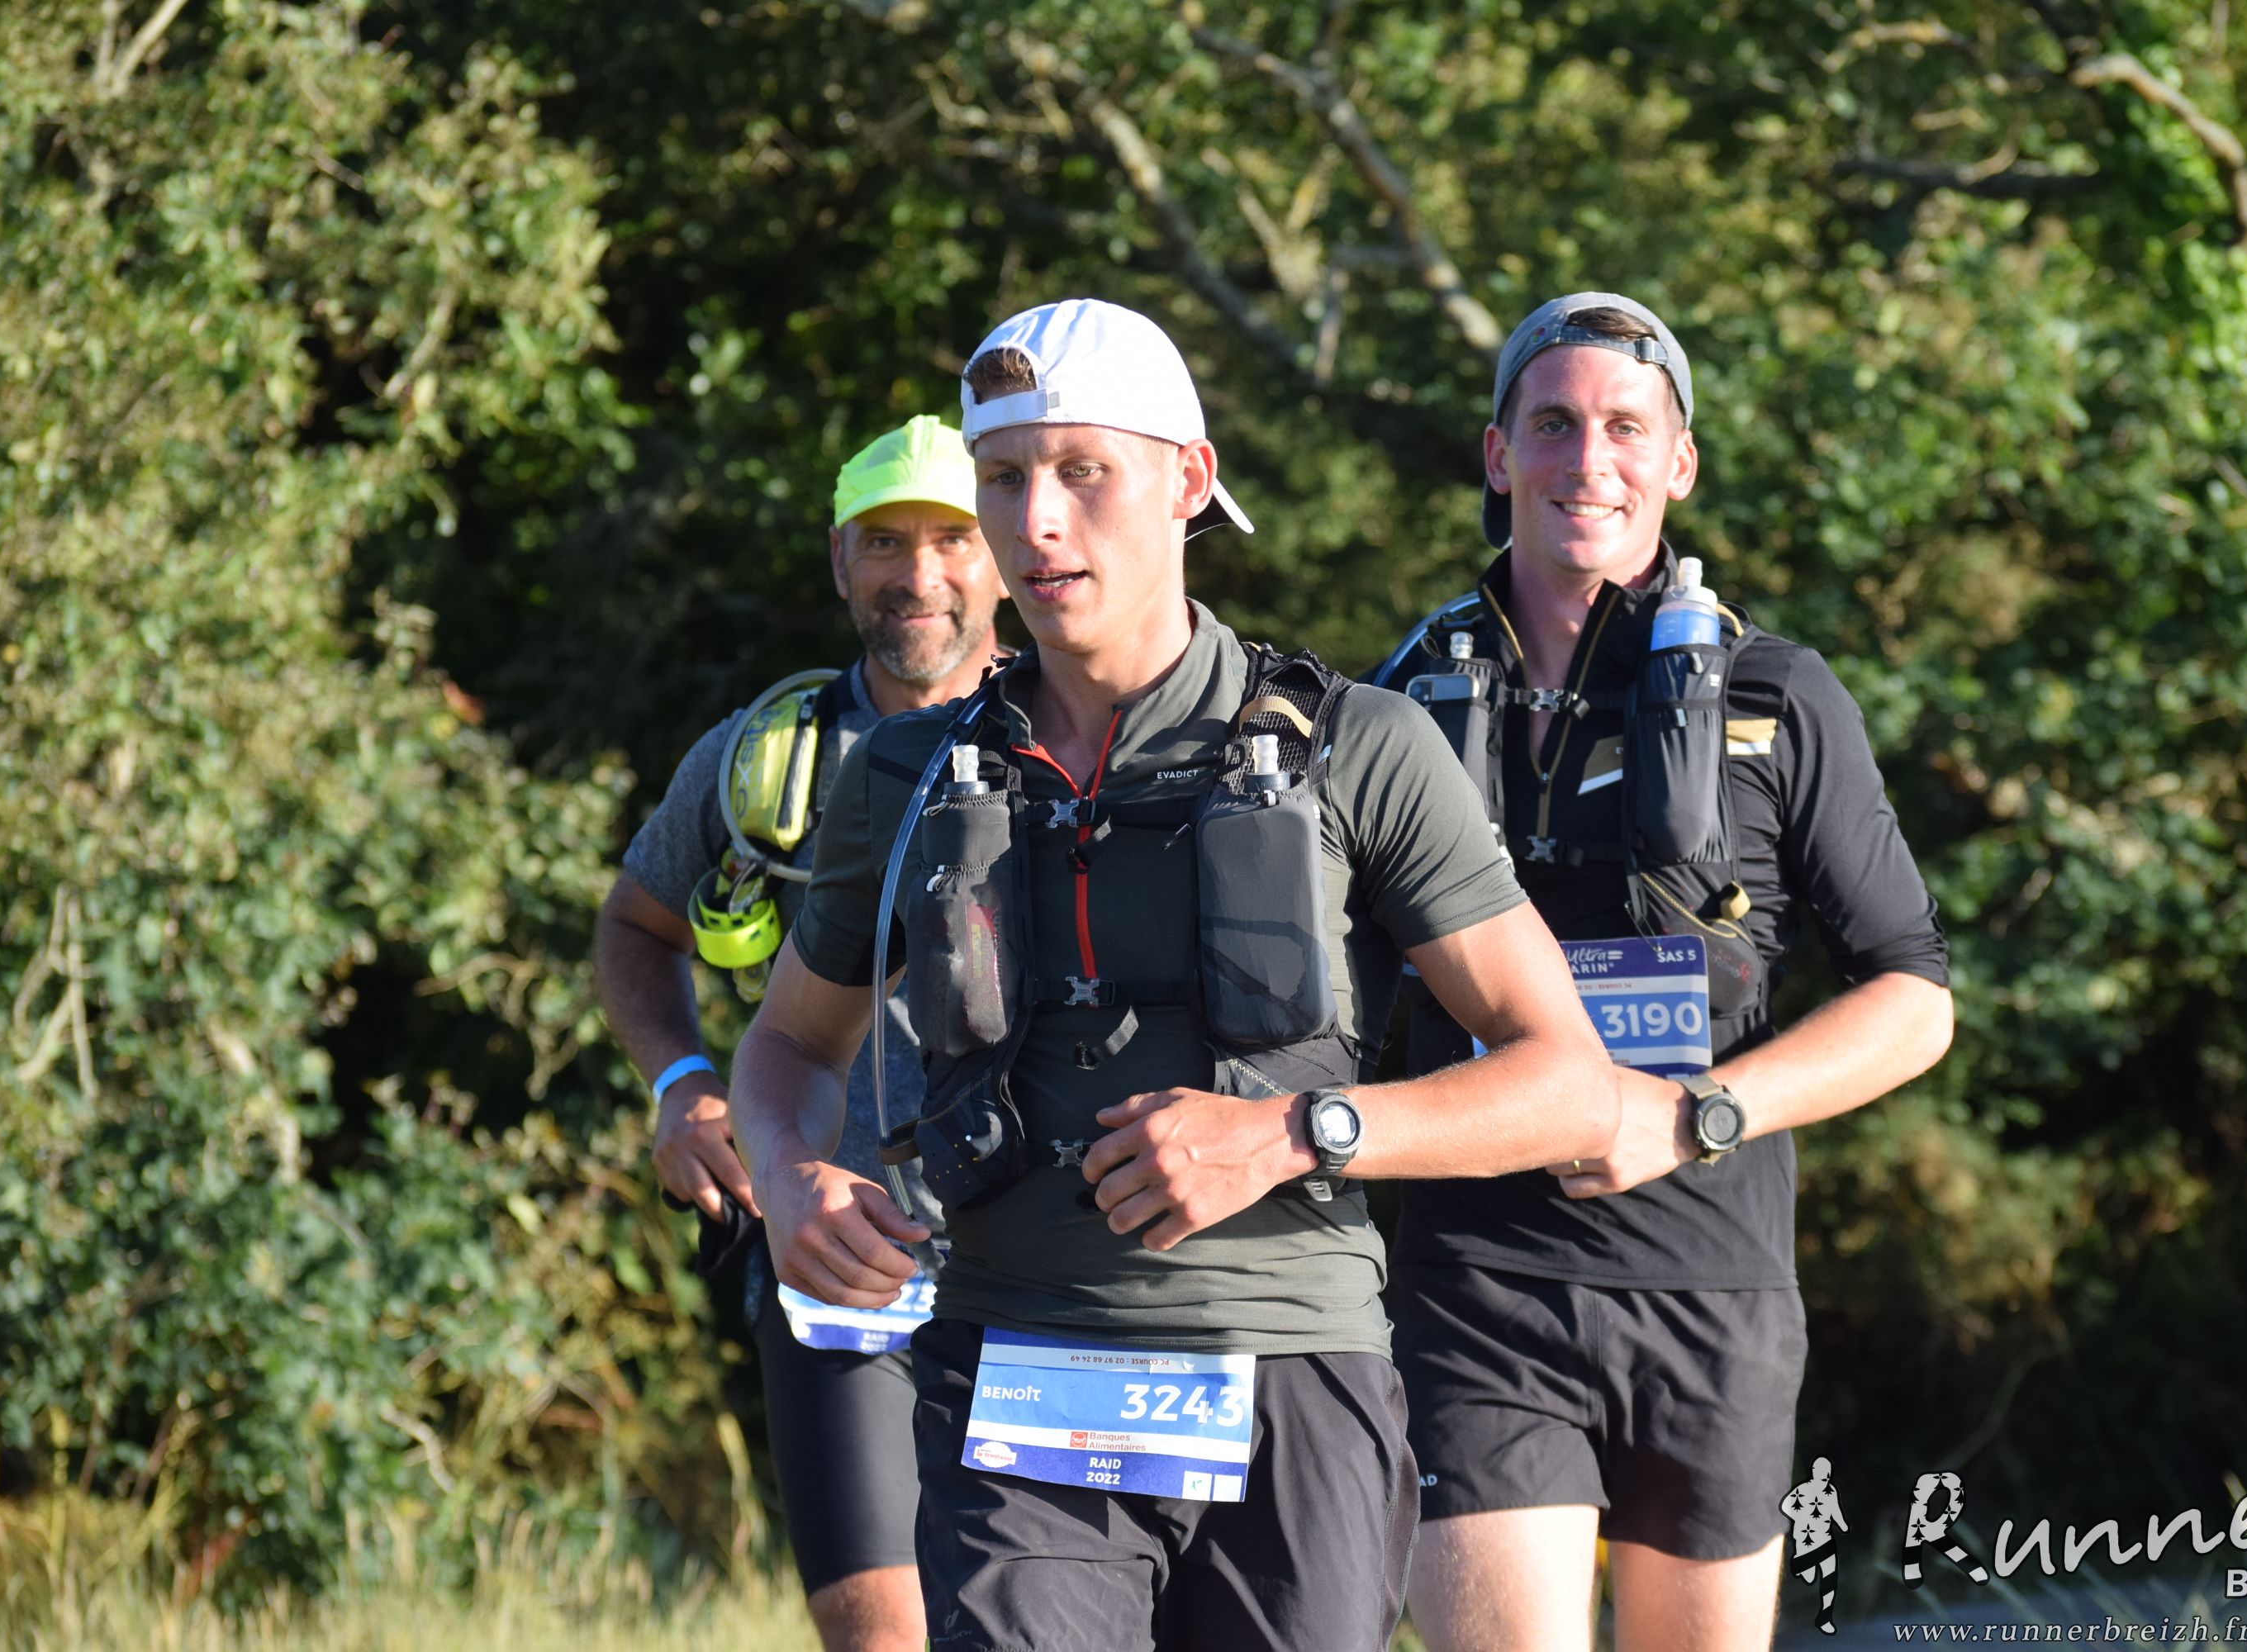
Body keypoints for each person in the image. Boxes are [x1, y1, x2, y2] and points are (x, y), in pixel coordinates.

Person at [724, 297, 1663, 1652]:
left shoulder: (1362, 748)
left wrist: (1292, 1133)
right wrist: (785, 1174)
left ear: (1189, 480)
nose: (1038, 521)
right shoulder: (908, 775)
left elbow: (1570, 1085)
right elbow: (788, 1047)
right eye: (1004, 477)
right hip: (1016, 1377)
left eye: (1083, 471)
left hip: (1293, 1374)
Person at [1372, 292, 1956, 1652]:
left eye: (1627, 427)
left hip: (1714, 1287)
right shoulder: (1392, 706)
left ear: (1679, 461)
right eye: (1554, 425)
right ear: (1498, 454)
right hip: (1479, 1288)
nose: (1591, 460)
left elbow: (1914, 997)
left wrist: (1700, 1115)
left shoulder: (1781, 693)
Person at [592, 415, 1005, 1652]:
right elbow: (636, 926)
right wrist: (683, 1084)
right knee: (880, 1636)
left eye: (952, 539)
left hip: (1046, 1260)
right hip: (835, 1258)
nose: (919, 575)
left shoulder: (1081, 735)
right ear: (839, 561)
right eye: (884, 542)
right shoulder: (765, 758)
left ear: (1005, 554)